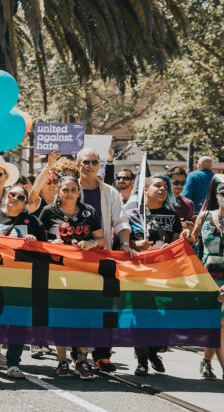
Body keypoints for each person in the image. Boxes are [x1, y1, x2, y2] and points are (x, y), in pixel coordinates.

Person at [0, 183, 46, 379]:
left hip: (21, 281)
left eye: (20, 197)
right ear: (6, 195)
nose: (14, 198)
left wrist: (34, 243)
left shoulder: (33, 222)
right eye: (12, 194)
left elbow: (45, 252)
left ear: (25, 203)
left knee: (18, 323)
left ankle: (13, 363)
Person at [38, 175, 104, 380]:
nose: (69, 193)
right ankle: (62, 361)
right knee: (62, 316)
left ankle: (82, 360)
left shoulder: (88, 212)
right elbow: (38, 240)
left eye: (73, 189)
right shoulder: (49, 212)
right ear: (58, 191)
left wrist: (92, 244)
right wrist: (51, 244)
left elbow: (100, 239)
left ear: (79, 191)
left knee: (83, 316)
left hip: (84, 271)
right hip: (58, 272)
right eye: (65, 189)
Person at [76, 147, 134, 372]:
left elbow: (120, 221)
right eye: (86, 162)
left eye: (94, 162)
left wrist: (126, 243)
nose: (90, 166)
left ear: (99, 165)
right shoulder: (70, 189)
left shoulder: (110, 192)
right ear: (78, 164)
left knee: (105, 307)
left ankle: (102, 355)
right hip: (75, 258)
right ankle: (77, 354)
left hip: (104, 256)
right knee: (78, 304)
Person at [128, 174, 184, 377]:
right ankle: (142, 361)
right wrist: (135, 244)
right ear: (145, 190)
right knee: (141, 317)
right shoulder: (133, 215)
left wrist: (174, 246)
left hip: (165, 275)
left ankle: (153, 352)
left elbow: (178, 243)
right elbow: (123, 244)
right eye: (157, 186)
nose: (162, 189)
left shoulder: (172, 215)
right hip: (139, 275)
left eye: (165, 187)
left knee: (163, 319)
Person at [194, 181, 224, 380]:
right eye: (223, 192)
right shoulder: (204, 216)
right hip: (206, 279)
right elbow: (191, 241)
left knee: (221, 323)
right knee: (214, 323)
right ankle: (206, 360)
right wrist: (186, 234)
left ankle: (210, 362)